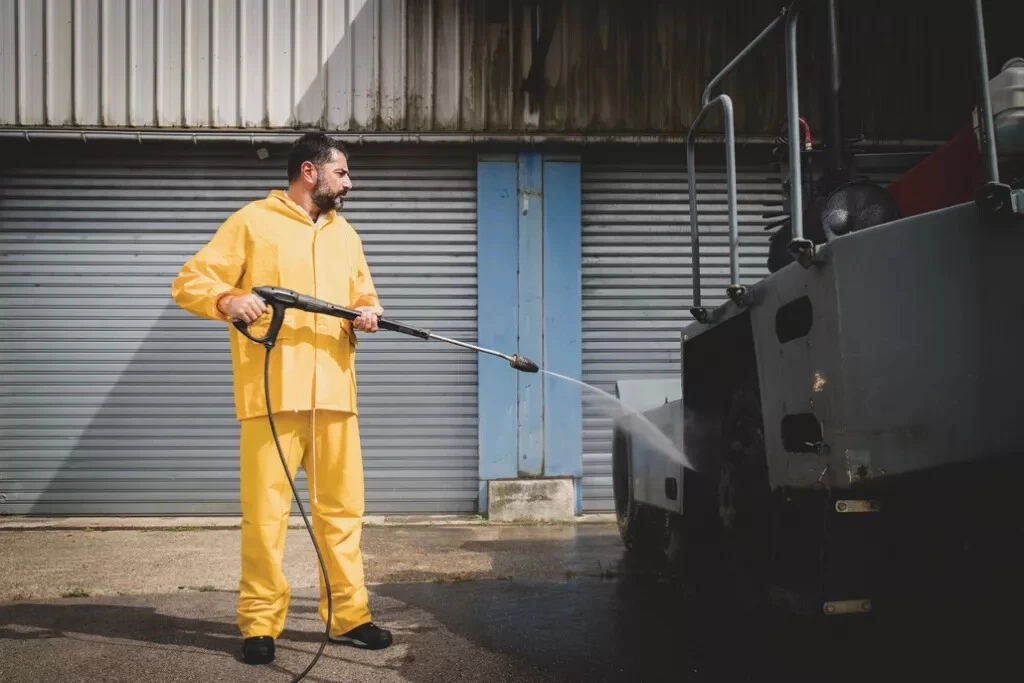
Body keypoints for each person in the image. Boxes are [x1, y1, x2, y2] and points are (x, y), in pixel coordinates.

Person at [170, 132, 392, 665]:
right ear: (310, 172)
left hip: (335, 397)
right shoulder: (252, 222)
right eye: (342, 172)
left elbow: (363, 293)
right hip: (272, 395)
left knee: (342, 514)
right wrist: (228, 299)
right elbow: (190, 281)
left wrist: (368, 312)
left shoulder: (346, 235)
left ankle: (349, 616)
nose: (349, 182)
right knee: (266, 517)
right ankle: (259, 624)